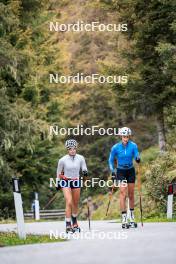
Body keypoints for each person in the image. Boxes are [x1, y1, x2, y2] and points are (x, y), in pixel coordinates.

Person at [108, 127, 140, 229]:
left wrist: (137, 158)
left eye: (127, 136)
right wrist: (113, 171)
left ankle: (131, 217)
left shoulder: (133, 145)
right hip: (121, 171)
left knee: (131, 194)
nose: (125, 138)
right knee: (123, 193)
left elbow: (136, 154)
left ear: (129, 136)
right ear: (121, 136)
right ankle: (124, 217)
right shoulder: (115, 147)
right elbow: (110, 160)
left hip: (130, 171)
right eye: (124, 136)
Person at [56, 139, 88, 233]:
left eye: (74, 149)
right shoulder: (62, 160)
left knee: (75, 203)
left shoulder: (81, 158)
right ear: (67, 149)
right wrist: (58, 182)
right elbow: (58, 172)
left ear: (76, 148)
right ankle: (68, 224)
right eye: (70, 149)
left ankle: (74, 221)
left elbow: (84, 167)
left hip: (76, 181)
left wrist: (85, 172)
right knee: (69, 201)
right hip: (66, 181)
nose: (72, 150)